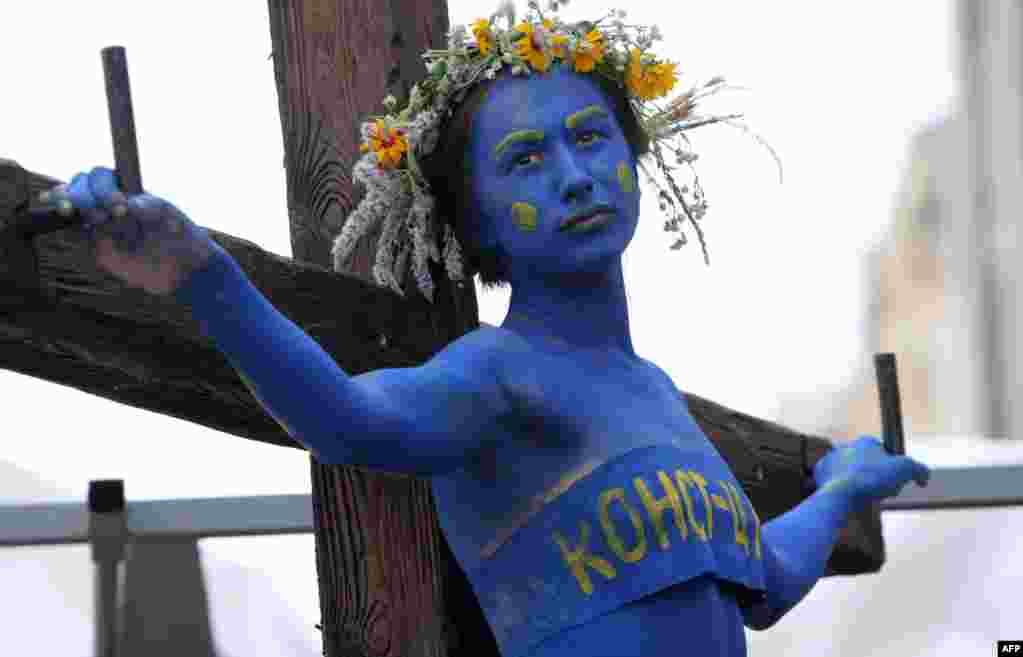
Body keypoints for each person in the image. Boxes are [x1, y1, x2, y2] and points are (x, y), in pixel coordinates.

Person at [38, 3, 930, 655]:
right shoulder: (498, 375)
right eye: (526, 160)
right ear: (479, 223)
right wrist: (204, 273)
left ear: (633, 160)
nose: (574, 177)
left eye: (591, 139)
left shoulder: (654, 393)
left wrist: (845, 487)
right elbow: (345, 420)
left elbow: (763, 581)